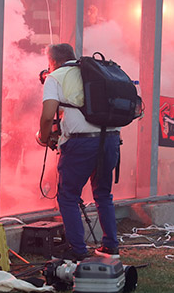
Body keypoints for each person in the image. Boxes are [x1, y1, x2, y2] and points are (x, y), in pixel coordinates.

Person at [37, 43, 121, 260]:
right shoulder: (95, 73)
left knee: (68, 196)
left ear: (53, 61)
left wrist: (44, 138)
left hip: (80, 144)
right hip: (110, 140)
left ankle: (78, 250)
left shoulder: (55, 77)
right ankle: (110, 245)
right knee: (103, 194)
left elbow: (47, 116)